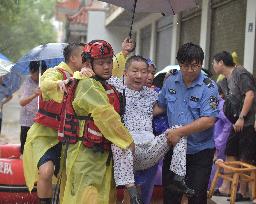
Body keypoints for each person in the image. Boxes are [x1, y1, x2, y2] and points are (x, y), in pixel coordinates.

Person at [60, 40, 134, 204]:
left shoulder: (103, 84)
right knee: (87, 198)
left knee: (104, 197)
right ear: (88, 63)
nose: (107, 67)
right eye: (101, 63)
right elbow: (106, 115)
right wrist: (128, 142)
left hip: (102, 156)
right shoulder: (88, 85)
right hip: (85, 156)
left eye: (109, 62)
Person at [154, 42, 219, 204]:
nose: (190, 70)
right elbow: (160, 107)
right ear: (179, 63)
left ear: (201, 64)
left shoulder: (209, 87)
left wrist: (179, 132)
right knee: (170, 196)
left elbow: (208, 120)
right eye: (185, 65)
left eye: (195, 66)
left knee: (196, 197)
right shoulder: (170, 81)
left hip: (199, 151)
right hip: (173, 148)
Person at [23, 43, 85, 204]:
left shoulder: (85, 77)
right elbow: (45, 84)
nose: (88, 60)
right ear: (73, 58)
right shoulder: (55, 73)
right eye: (84, 56)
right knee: (46, 171)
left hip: (70, 136)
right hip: (44, 134)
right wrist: (59, 83)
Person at [212, 51, 256, 202]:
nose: (213, 66)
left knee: (245, 158)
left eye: (214, 63)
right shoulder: (225, 80)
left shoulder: (241, 73)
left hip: (247, 122)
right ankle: (226, 187)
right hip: (235, 122)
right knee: (230, 151)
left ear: (221, 63)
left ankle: (243, 192)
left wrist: (242, 117)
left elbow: (250, 95)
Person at [19, 60, 47, 154]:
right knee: (25, 148)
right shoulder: (28, 82)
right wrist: (35, 95)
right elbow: (22, 102)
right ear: (31, 71)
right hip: (27, 121)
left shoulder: (45, 81)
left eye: (43, 73)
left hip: (40, 120)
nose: (40, 76)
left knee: (38, 147)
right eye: (38, 73)